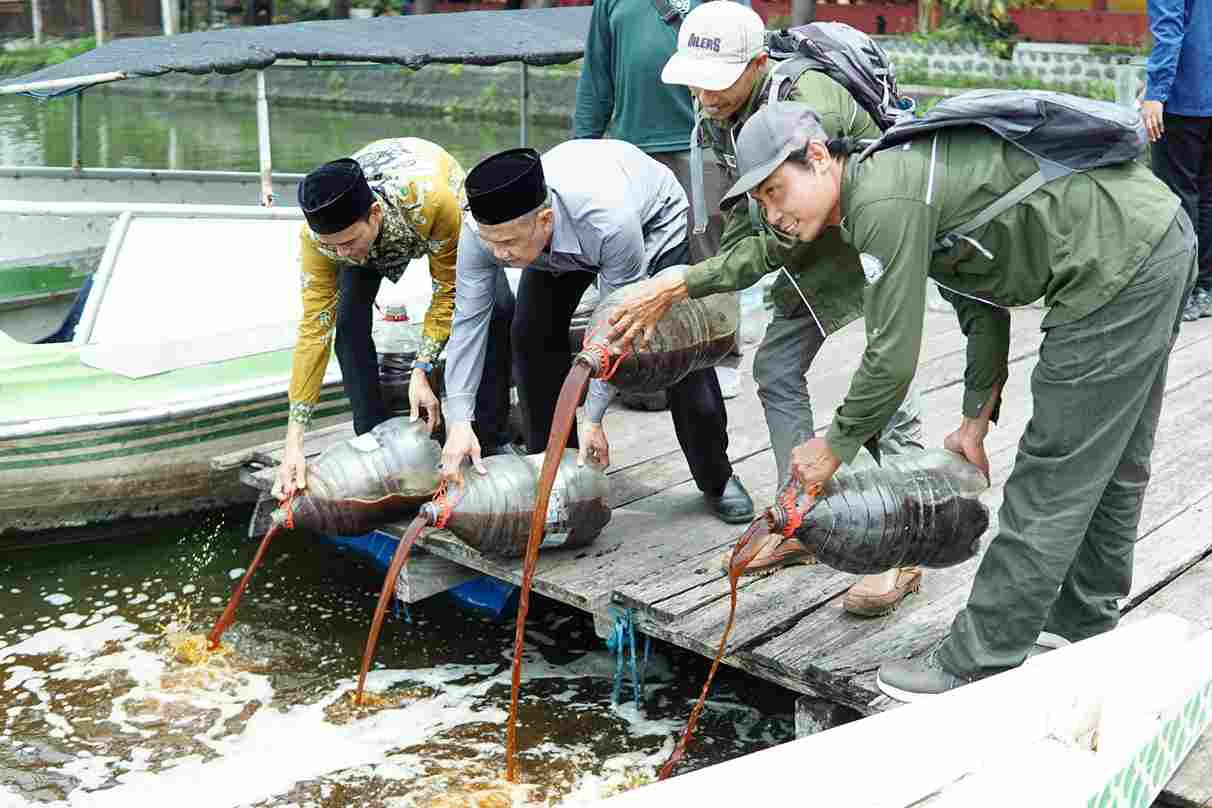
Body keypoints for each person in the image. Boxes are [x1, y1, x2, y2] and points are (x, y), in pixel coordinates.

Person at [715, 101, 1192, 700]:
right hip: (1151, 234)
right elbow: (979, 296)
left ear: (817, 157)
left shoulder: (881, 202)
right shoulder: (894, 178)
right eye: (760, 202)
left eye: (776, 190)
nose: (774, 213)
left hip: (1115, 260)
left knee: (1052, 474)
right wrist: (974, 419)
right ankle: (1082, 626)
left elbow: (890, 359)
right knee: (1116, 461)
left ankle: (980, 660)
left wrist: (832, 447)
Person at [605, 1, 925, 617]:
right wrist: (700, 278)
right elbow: (748, 223)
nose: (701, 92)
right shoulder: (719, 116)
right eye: (693, 78)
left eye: (715, 78)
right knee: (777, 368)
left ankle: (906, 543)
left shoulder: (803, 104)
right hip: (806, 250)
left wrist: (683, 283)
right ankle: (801, 515)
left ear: (756, 64)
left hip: (871, 240)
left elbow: (777, 234)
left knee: (889, 390)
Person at [438, 141, 755, 524]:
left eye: (506, 243)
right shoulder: (483, 233)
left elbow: (616, 331)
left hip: (650, 224)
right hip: (556, 244)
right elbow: (469, 322)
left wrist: (594, 419)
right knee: (529, 337)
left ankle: (717, 477)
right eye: (493, 245)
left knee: (674, 352)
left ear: (544, 220)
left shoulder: (608, 220)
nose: (500, 255)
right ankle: (556, 474)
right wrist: (459, 422)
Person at [276, 138, 514, 497]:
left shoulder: (432, 201)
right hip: (365, 219)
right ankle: (375, 442)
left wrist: (422, 368)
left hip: (433, 199)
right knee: (347, 324)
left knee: (495, 308)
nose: (343, 254)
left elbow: (449, 291)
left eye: (348, 242)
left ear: (373, 215)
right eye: (333, 246)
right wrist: (294, 439)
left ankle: (492, 435)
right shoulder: (322, 239)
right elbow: (314, 329)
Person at [1143, 0, 1211, 321]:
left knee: (1178, 198)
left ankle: (1185, 291)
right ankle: (1206, 290)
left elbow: (1169, 30)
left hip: (1185, 99)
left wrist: (1156, 92)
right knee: (1208, 198)